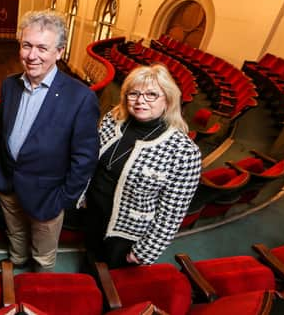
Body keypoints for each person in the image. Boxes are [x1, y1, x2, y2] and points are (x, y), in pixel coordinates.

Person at [0, 10, 100, 273]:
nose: (32, 55)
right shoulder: (9, 85)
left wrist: (63, 198)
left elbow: (85, 158)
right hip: (8, 186)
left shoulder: (81, 97)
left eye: (42, 47)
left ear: (59, 52)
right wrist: (0, 178)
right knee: (16, 235)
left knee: (43, 252)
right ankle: (16, 260)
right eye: (26, 45)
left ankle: (39, 280)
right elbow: (3, 132)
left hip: (48, 196)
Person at [84, 64, 202, 269]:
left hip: (126, 234)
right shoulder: (114, 119)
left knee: (112, 284)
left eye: (151, 95)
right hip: (93, 215)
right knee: (90, 262)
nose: (140, 101)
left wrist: (146, 250)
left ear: (168, 99)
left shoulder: (184, 152)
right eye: (134, 93)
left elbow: (171, 214)